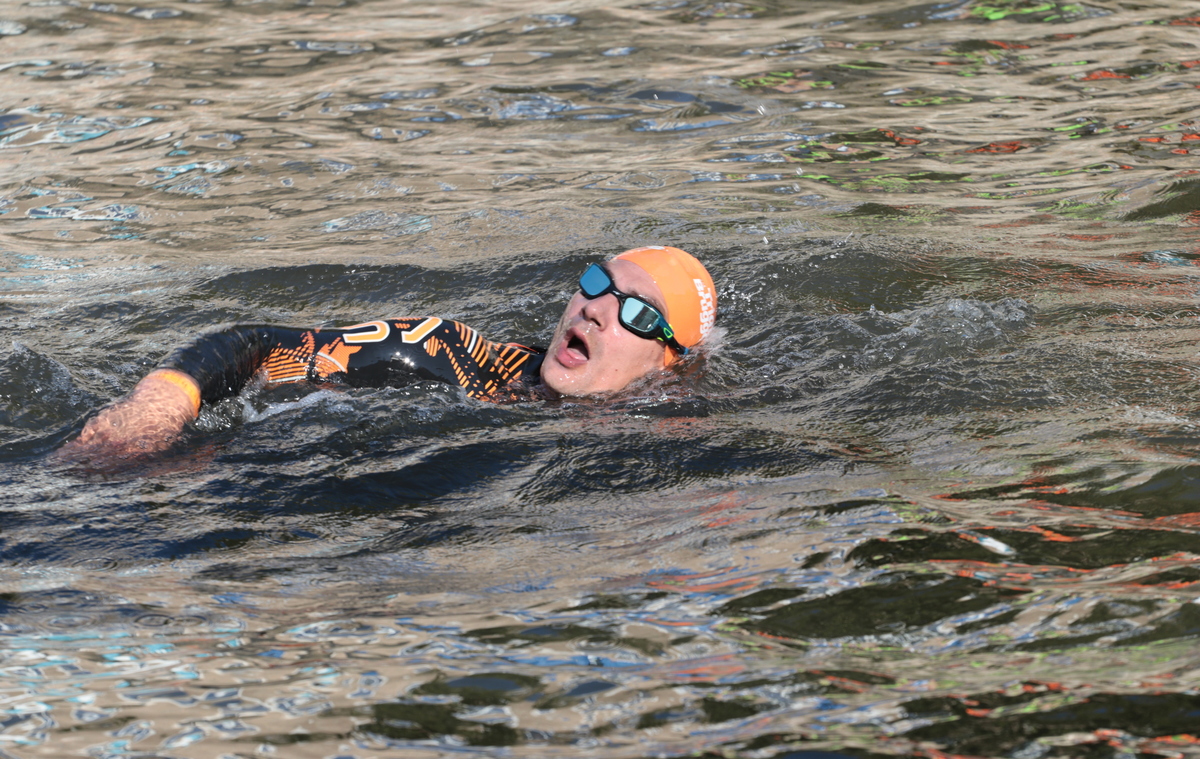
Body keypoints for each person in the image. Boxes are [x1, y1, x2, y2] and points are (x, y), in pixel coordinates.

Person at [58, 246, 717, 462]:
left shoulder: (670, 450)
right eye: (598, 283)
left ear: (672, 362)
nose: (596, 309)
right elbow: (258, 343)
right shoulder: (451, 356)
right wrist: (157, 406)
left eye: (637, 313)